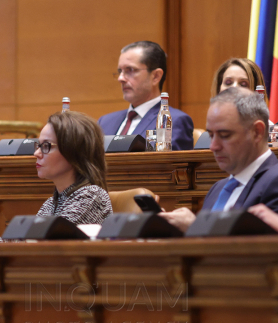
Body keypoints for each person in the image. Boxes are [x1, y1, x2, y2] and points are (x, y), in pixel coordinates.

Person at [160, 88, 278, 231]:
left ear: (257, 132)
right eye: (211, 135)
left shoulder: (274, 180)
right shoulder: (217, 189)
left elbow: (260, 248)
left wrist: (196, 227)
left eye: (224, 135)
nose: (213, 146)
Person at [97, 40, 195, 150]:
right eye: (120, 71)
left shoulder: (173, 121)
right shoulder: (105, 122)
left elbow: (170, 165)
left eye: (130, 70)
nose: (121, 78)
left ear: (156, 76)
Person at [34, 111, 113, 225]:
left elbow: (45, 240)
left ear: (73, 152)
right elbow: (23, 240)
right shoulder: (51, 203)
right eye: (38, 145)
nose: (37, 153)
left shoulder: (91, 197)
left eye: (46, 146)